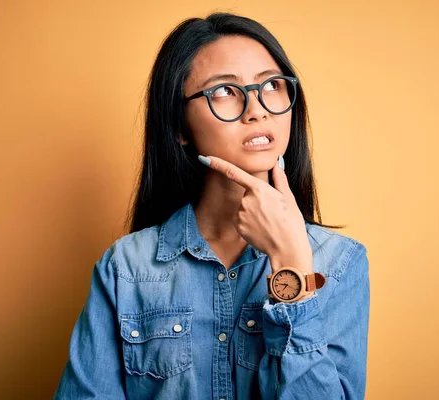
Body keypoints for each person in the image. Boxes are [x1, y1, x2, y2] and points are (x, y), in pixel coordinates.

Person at [54, 12, 370, 400]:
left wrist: (291, 266)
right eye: (223, 91)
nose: (256, 109)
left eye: (271, 85)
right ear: (179, 127)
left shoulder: (340, 263)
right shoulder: (125, 269)